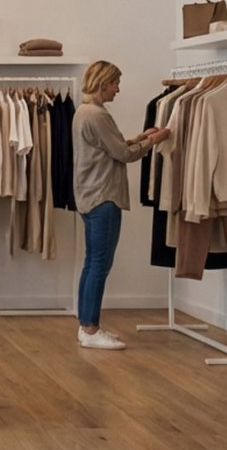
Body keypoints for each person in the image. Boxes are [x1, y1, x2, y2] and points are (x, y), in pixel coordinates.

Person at [72, 60, 170, 351]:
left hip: (90, 195)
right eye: (115, 82)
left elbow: (110, 147)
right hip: (104, 197)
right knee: (99, 264)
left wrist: (141, 137)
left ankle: (87, 326)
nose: (118, 88)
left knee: (92, 263)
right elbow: (124, 155)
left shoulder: (84, 112)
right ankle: (90, 329)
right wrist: (155, 141)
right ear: (103, 83)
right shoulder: (97, 115)